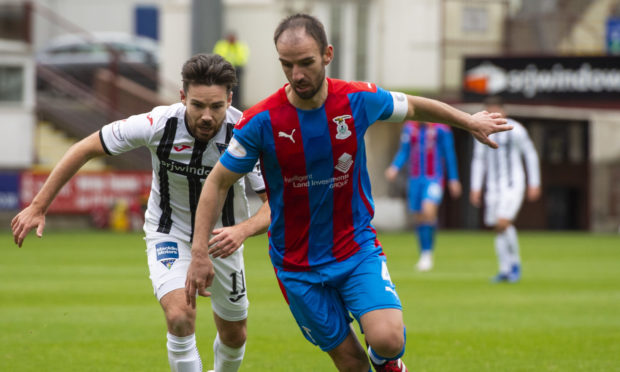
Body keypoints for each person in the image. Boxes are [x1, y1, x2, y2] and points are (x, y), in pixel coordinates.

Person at [185, 14, 510, 372]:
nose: (297, 75)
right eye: (287, 65)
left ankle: (386, 361)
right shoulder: (261, 121)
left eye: (306, 63)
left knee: (389, 339)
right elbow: (217, 182)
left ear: (327, 54)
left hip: (355, 248)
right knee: (351, 365)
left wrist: (469, 122)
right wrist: (200, 252)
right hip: (297, 266)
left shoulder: (357, 99)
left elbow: (415, 106)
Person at [11, 53, 270, 372]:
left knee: (234, 335)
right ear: (182, 96)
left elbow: (275, 203)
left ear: (230, 99)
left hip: (223, 238)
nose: (206, 116)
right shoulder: (157, 124)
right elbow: (86, 147)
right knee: (179, 317)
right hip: (169, 232)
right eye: (197, 104)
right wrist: (38, 206)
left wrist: (242, 230)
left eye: (216, 106)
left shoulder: (246, 133)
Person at [469, 96, 541, 283]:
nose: (494, 113)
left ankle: (515, 264)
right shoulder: (482, 131)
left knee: (503, 222)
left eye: (497, 109)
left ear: (504, 111)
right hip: (493, 187)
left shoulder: (516, 129)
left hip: (513, 184)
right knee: (497, 227)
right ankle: (504, 269)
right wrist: (476, 187)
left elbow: (530, 154)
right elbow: (478, 160)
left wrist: (535, 182)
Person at [385, 121, 462, 272]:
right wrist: (394, 167)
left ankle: (428, 253)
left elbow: (449, 154)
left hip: (434, 178)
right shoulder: (409, 128)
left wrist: (453, 179)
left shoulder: (441, 129)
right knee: (419, 217)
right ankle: (423, 253)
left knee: (429, 211)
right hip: (414, 179)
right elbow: (404, 151)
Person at [213, 31, 250, 109]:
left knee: (237, 90)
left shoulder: (240, 46)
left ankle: (237, 106)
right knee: (225, 88)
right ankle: (225, 105)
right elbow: (218, 56)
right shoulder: (221, 45)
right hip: (224, 69)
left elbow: (242, 58)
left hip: (237, 70)